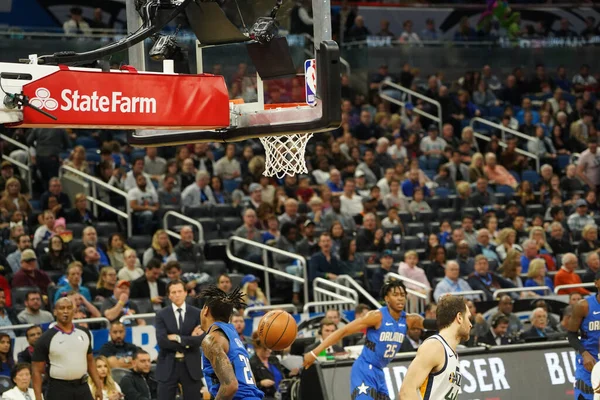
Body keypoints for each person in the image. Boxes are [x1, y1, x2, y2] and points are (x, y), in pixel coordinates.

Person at [304, 280, 415, 400]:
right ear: (387, 298)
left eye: (402, 295)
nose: (400, 298)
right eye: (395, 295)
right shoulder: (377, 316)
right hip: (364, 369)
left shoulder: (408, 319)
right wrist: (314, 352)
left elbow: (436, 323)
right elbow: (343, 331)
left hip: (379, 371)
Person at [398, 295, 471, 399]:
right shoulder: (435, 346)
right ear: (459, 317)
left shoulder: (451, 353)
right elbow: (406, 391)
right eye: (468, 318)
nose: (471, 324)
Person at [199, 286, 264, 399]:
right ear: (229, 316)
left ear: (206, 310)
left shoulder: (212, 339)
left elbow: (231, 385)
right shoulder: (234, 336)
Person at [32, 297, 103, 400]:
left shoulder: (84, 333)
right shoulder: (45, 338)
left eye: (69, 308)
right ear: (55, 312)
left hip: (82, 387)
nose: (65, 311)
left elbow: (90, 361)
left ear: (73, 311)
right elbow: (36, 371)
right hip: (58, 389)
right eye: (62, 308)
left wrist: (98, 387)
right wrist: (38, 397)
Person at [155, 280, 204, 400]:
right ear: (169, 295)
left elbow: (200, 340)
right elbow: (162, 341)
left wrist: (177, 338)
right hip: (168, 364)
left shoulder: (197, 313)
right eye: (173, 292)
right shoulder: (161, 314)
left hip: (191, 365)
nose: (177, 295)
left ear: (185, 293)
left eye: (179, 291)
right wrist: (189, 340)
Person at [568, 270, 600, 400]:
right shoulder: (583, 306)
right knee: (585, 393)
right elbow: (571, 334)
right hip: (589, 362)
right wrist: (584, 353)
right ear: (597, 283)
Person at [250, 331, 297, 399]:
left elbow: (281, 375)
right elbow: (249, 386)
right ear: (257, 348)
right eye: (266, 349)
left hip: (283, 396)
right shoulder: (252, 363)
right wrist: (261, 383)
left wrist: (290, 374)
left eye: (270, 348)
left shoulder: (273, 359)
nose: (270, 351)